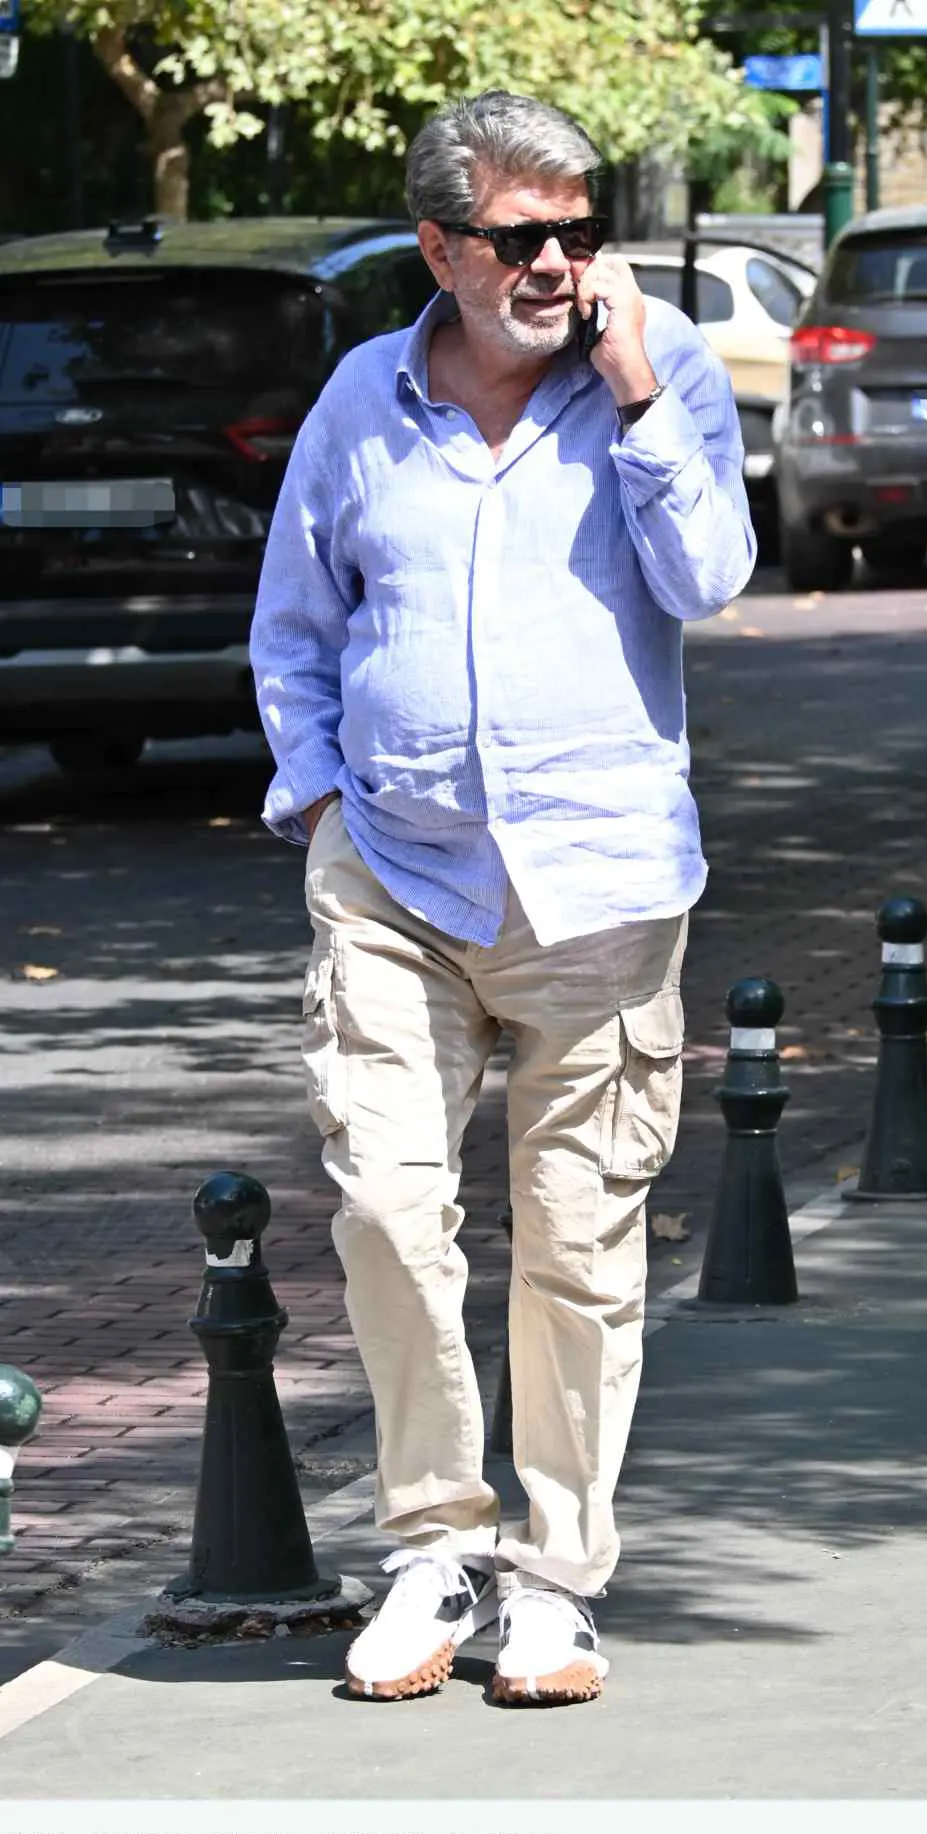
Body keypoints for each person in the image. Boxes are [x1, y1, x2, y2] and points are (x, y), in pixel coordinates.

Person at [250, 88, 754, 1708]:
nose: (557, 265)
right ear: (441, 249)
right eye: (522, 238)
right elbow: (297, 622)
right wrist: (321, 796)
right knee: (389, 1212)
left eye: (579, 233)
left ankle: (557, 1580)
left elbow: (712, 576)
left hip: (599, 890)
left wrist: (638, 387)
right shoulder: (362, 397)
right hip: (394, 877)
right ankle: (431, 1550)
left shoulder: (658, 367)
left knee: (578, 1246)